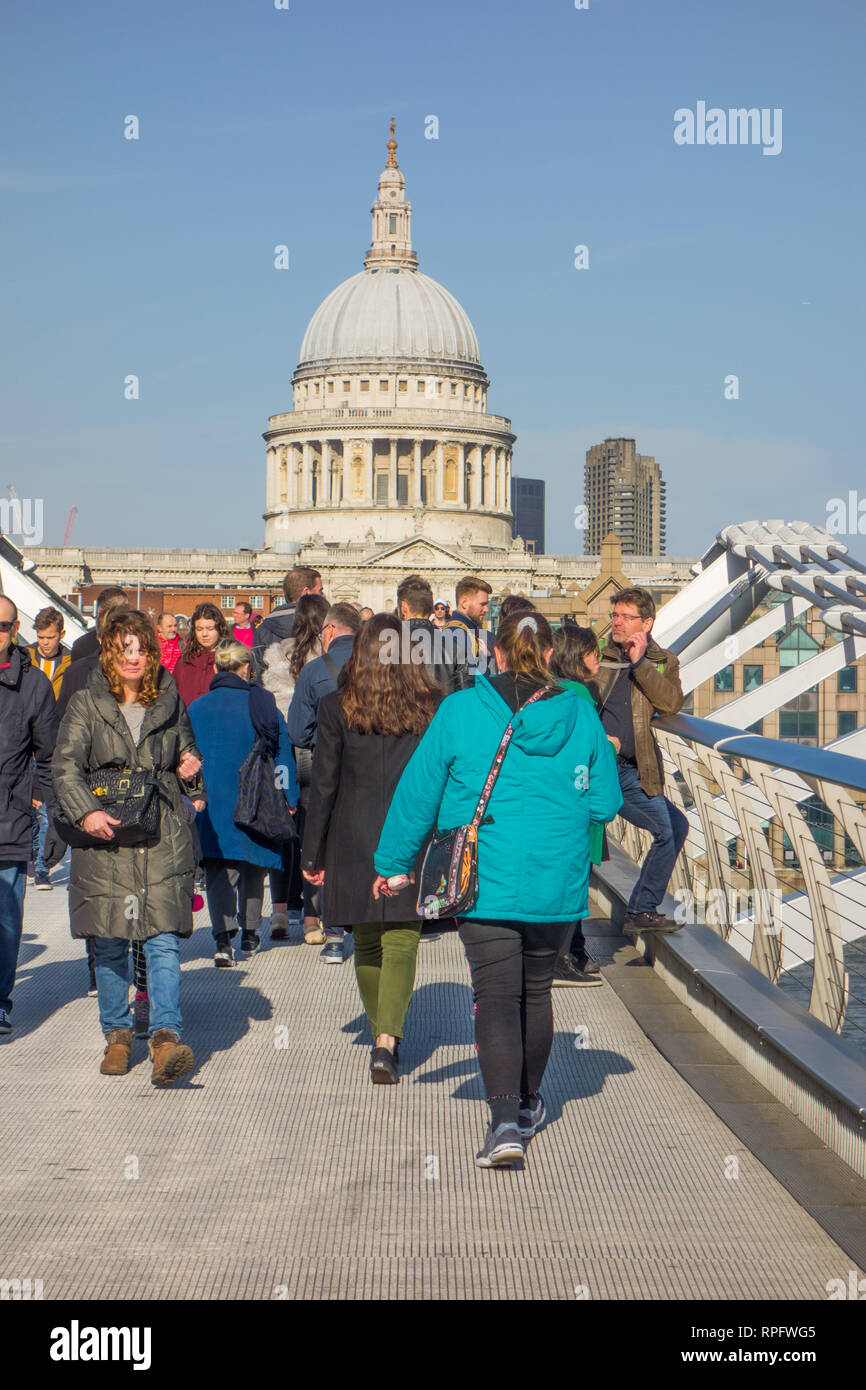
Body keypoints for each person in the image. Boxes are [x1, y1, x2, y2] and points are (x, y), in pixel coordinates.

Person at [374, 612, 623, 1167]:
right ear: (549, 656)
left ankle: (505, 1122)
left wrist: (392, 862)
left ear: (497, 654)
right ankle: (533, 1102)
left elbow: (419, 791)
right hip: (556, 882)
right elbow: (606, 804)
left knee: (494, 996)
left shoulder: (461, 709)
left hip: (483, 877)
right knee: (536, 991)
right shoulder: (580, 715)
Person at [51, 608, 203, 1084]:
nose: (134, 658)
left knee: (162, 941)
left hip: (159, 837)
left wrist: (189, 767)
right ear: (109, 653)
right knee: (112, 941)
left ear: (153, 653)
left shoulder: (170, 698)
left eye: (141, 649)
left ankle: (165, 1040)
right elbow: (64, 767)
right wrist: (87, 811)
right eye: (124, 649)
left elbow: (187, 750)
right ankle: (117, 1036)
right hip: (107, 839)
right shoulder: (85, 704)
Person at [302, 614, 445, 1083]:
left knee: (365, 936)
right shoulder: (431, 705)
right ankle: (388, 1040)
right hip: (412, 833)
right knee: (402, 937)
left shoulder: (334, 706)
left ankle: (380, 1032)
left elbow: (322, 786)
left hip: (352, 831)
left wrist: (313, 854)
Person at [188, 639, 298, 966]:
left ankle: (223, 941)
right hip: (255, 797)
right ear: (246, 667)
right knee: (253, 863)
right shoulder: (263, 705)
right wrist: (288, 795)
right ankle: (250, 934)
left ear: (218, 668)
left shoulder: (196, 707)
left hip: (211, 801)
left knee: (219, 869)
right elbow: (283, 756)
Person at [586, 588, 688, 932]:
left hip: (637, 768)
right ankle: (640, 911)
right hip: (603, 768)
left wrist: (640, 662)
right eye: (615, 615)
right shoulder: (597, 658)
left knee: (676, 826)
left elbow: (671, 703)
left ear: (647, 622)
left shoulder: (663, 662)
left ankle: (640, 909)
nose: (616, 622)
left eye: (625, 617)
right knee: (666, 829)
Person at [286, 602, 361, 963]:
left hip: (327, 768)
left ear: (329, 630)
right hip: (373, 770)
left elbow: (298, 731)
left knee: (325, 842)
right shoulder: (382, 670)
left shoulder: (315, 670)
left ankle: (332, 933)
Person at [0, 596, 59, 1035]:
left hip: (9, 819)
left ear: (15, 628)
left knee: (5, 919)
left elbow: (50, 753)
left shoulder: (33, 684)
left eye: (2, 626)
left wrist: (39, 798)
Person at [548, 623, 617, 986]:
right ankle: (562, 958)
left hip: (557, 802)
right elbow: (592, 755)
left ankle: (575, 950)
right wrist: (611, 747)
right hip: (582, 805)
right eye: (593, 652)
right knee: (576, 881)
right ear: (578, 658)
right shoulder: (582, 701)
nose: (599, 657)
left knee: (570, 877)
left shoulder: (551, 693)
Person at [259, 593, 329, 943]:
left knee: (282, 831)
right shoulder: (325, 660)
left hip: (283, 750)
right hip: (316, 750)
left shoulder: (276, 655)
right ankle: (313, 918)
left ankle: (280, 911)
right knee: (313, 832)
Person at [26, 607, 71, 889]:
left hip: (52, 746)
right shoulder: (24, 658)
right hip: (23, 745)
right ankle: (28, 858)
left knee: (44, 810)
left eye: (50, 637)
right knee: (24, 809)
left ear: (61, 635)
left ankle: (41, 868)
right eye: (41, 637)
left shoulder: (70, 663)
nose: (45, 642)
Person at [250, 567, 323, 676]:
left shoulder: (262, 629)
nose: (323, 596)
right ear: (307, 592)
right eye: (320, 591)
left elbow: (257, 673)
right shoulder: (320, 626)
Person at [395, 573, 453, 693]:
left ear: (404, 607)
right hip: (443, 711)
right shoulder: (455, 645)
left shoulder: (388, 643)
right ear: (432, 609)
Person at [173, 603, 227, 707]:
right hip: (188, 720)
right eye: (199, 629)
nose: (204, 634)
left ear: (219, 629)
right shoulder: (184, 661)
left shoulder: (231, 660)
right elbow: (172, 695)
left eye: (210, 629)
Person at [443, 576, 493, 689]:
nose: (486, 609)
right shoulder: (459, 634)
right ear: (464, 603)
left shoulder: (459, 630)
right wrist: (484, 659)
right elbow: (472, 685)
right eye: (482, 604)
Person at [69, 587, 127, 663]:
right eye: (119, 609)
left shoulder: (134, 641)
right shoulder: (83, 646)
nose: (126, 613)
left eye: (126, 608)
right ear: (100, 610)